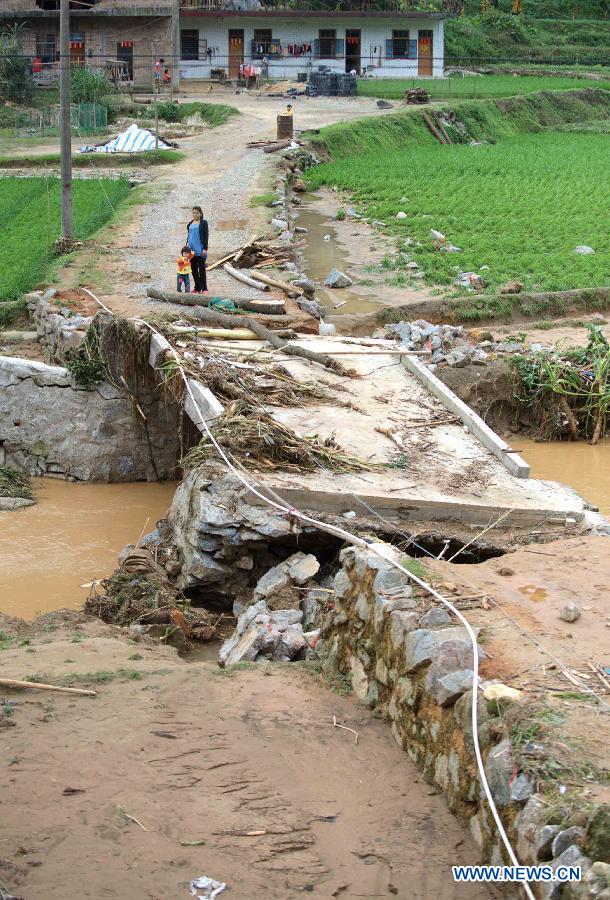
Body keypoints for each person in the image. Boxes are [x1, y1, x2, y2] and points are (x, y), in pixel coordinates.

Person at [186, 205, 209, 294]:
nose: (195, 215)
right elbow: (189, 236)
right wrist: (187, 246)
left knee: (201, 269)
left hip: (200, 249)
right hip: (191, 250)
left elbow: (206, 236)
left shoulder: (204, 223)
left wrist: (205, 248)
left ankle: (204, 289)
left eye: (197, 213)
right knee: (194, 269)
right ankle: (197, 288)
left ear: (200, 213)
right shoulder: (190, 223)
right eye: (193, 213)